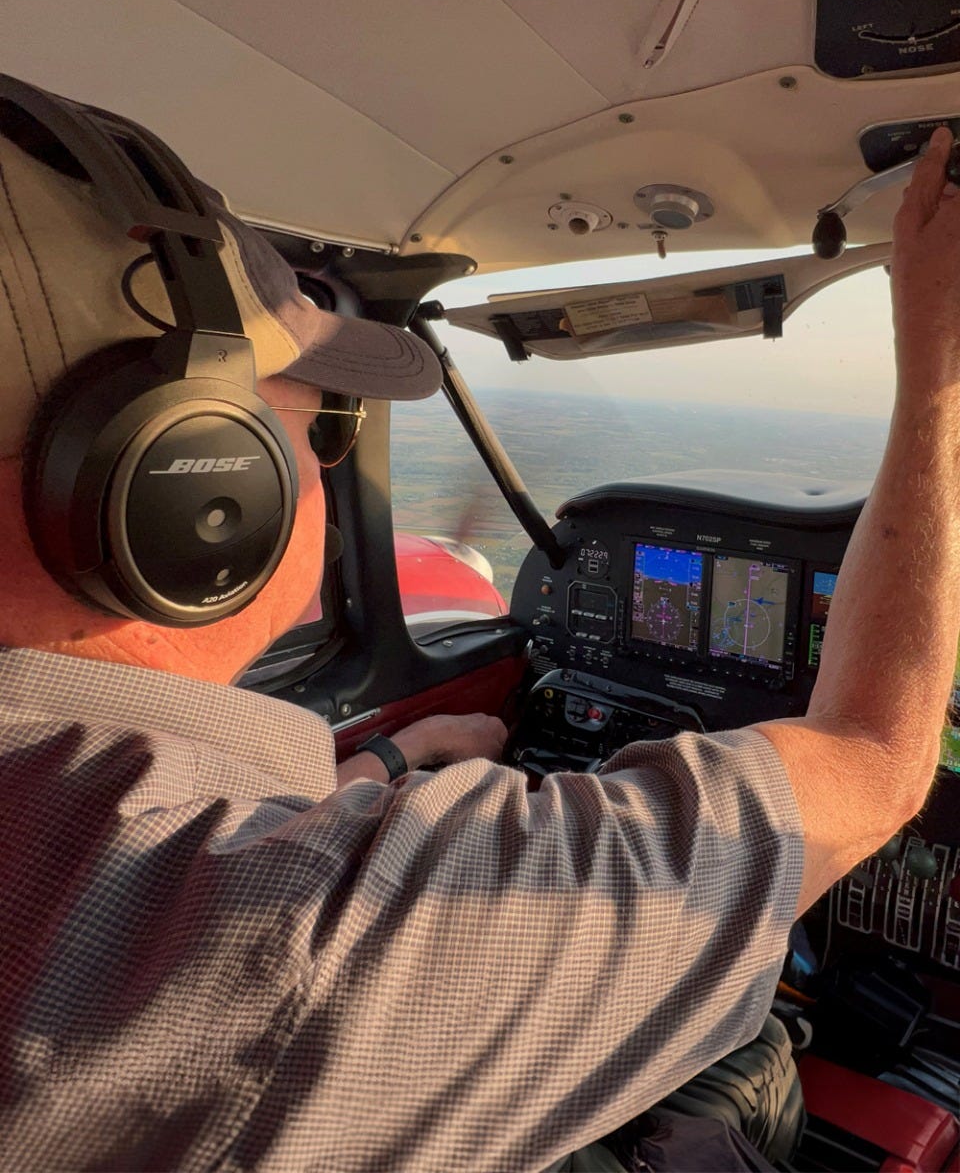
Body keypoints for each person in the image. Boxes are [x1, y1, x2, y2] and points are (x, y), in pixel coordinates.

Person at [0, 72, 954, 1172]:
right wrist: (940, 362)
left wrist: (386, 763)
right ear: (186, 485)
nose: (324, 461)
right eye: (312, 423)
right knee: (740, 1082)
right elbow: (873, 761)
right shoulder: (306, 950)